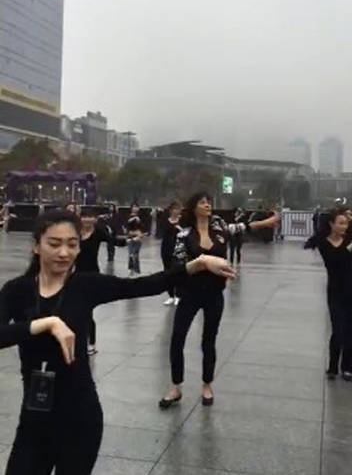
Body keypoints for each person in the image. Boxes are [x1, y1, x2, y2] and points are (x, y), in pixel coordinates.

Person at [0, 209, 234, 475]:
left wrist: (198, 263)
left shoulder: (85, 286)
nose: (64, 252)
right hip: (34, 418)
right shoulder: (16, 291)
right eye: (54, 244)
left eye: (72, 244)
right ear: (36, 246)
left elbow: (145, 286)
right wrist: (44, 324)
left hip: (80, 417)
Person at [160, 191, 279, 408]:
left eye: (209, 202)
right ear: (194, 207)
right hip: (190, 294)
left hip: (214, 294)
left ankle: (207, 385)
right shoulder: (183, 233)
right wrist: (200, 263)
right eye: (203, 202)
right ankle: (175, 386)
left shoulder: (219, 226)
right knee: (177, 338)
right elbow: (177, 266)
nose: (208, 205)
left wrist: (266, 223)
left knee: (209, 340)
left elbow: (242, 228)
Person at [318, 208, 352, 382]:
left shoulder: (351, 240)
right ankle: (333, 366)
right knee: (337, 329)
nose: (344, 226)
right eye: (340, 223)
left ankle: (348, 368)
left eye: (346, 223)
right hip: (335, 292)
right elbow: (335, 260)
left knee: (351, 330)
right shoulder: (324, 243)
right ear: (331, 224)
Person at [75, 208, 117, 355]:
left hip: (92, 276)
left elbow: (113, 241)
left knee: (87, 311)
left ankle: (91, 343)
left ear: (95, 219)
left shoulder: (98, 232)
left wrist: (129, 240)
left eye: (90, 217)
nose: (87, 220)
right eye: (84, 217)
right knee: (74, 309)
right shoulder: (75, 231)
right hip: (75, 275)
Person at [161, 201, 183, 306]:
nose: (176, 211)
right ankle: (171, 296)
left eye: (178, 209)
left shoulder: (182, 221)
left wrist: (180, 229)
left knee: (178, 272)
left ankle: (178, 295)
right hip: (166, 250)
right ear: (170, 210)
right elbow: (161, 234)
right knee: (168, 273)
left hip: (178, 250)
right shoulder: (165, 221)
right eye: (174, 209)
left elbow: (187, 233)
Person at [127, 203, 143, 274]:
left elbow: (143, 227)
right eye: (134, 207)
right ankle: (131, 270)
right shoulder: (128, 216)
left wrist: (140, 235)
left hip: (138, 236)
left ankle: (136, 270)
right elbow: (126, 225)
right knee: (130, 253)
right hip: (130, 236)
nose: (135, 208)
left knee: (136, 254)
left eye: (137, 207)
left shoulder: (141, 217)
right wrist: (133, 218)